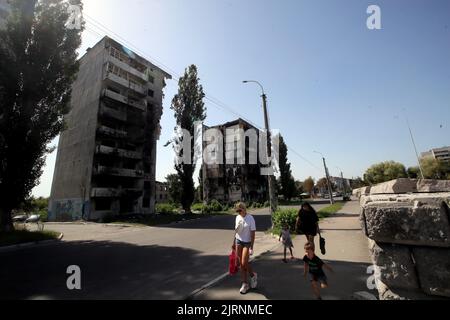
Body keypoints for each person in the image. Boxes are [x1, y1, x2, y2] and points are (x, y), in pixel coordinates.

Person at [232, 202, 258, 295]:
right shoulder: (237, 217)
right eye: (237, 211)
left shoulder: (250, 218)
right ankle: (245, 283)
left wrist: (251, 246)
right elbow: (236, 231)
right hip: (238, 241)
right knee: (241, 265)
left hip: (247, 243)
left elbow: (253, 234)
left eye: (240, 210)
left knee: (244, 262)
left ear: (244, 208)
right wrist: (233, 243)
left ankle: (252, 275)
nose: (239, 212)